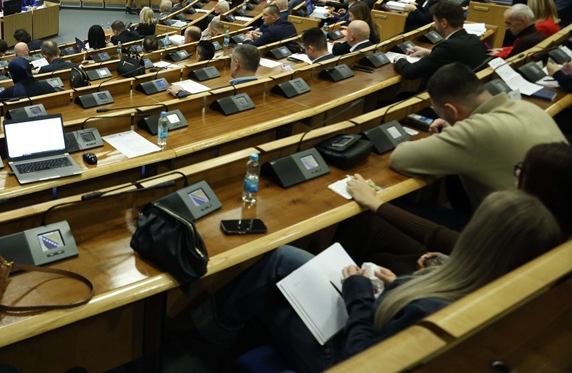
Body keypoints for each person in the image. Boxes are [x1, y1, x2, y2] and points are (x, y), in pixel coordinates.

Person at [189, 190, 561, 372]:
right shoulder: (508, 290)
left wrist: (359, 293)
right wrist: (396, 285)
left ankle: (205, 336)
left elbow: (364, 358)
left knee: (279, 271)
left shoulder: (433, 308)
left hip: (344, 355)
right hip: (376, 318)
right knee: (287, 260)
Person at [340, 143, 572, 275]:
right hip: (457, 260)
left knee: (371, 231)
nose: (518, 171)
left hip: (454, 276)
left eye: (524, 169)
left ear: (542, 184)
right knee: (375, 229)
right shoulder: (557, 225)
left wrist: (375, 203)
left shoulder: (527, 225)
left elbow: (446, 238)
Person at [391, 63, 567, 208]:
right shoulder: (527, 107)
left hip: (517, 235)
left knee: (399, 207)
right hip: (559, 219)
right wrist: (458, 127)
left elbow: (400, 158)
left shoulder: (475, 132)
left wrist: (456, 131)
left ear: (451, 110)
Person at [395, 1, 489, 81]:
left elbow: (410, 72)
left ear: (443, 23)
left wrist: (399, 59)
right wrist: (429, 52)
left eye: (435, 22)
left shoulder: (448, 47)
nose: (434, 26)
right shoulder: (473, 38)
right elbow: (454, 56)